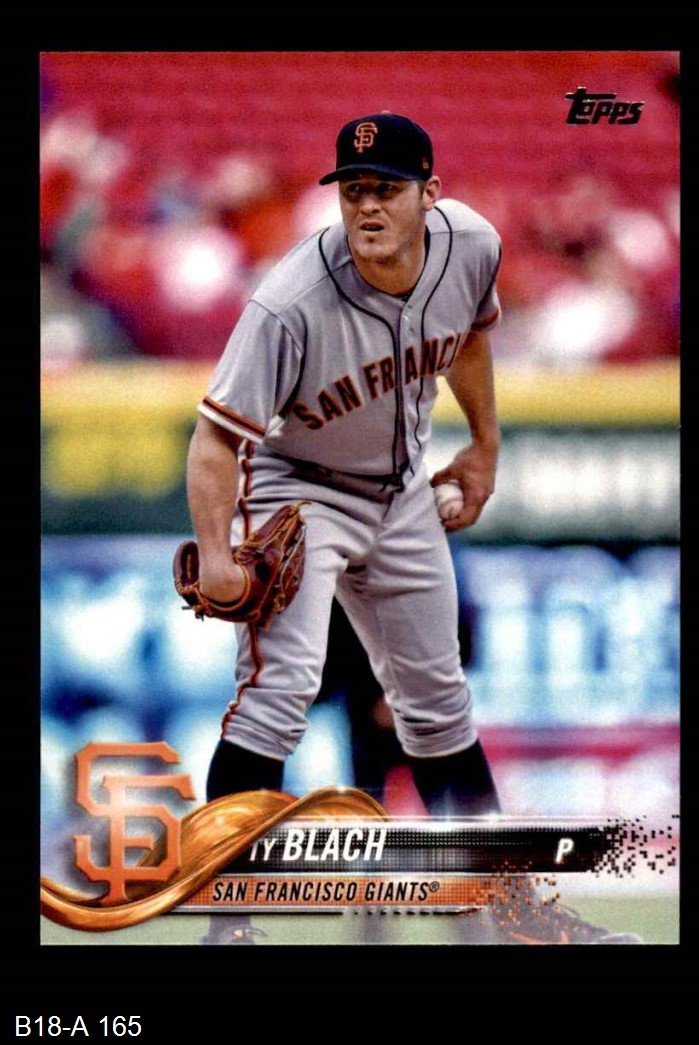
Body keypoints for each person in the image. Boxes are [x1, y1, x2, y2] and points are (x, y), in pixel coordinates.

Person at [187, 112, 640, 944]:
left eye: (387, 190)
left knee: (440, 709)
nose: (367, 206)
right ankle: (228, 928)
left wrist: (485, 446)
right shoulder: (289, 301)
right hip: (300, 492)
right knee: (277, 695)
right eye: (354, 190)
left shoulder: (470, 245)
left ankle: (518, 916)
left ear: (430, 194)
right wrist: (218, 552)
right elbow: (215, 438)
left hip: (400, 492)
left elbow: (468, 335)